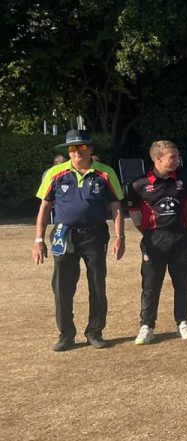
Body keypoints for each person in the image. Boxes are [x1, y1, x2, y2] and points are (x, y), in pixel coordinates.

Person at [33, 129, 126, 351]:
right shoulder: (55, 173)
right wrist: (38, 239)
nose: (77, 153)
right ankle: (66, 334)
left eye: (82, 147)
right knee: (62, 286)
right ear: (68, 151)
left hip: (95, 234)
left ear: (90, 149)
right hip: (64, 234)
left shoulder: (105, 173)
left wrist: (119, 237)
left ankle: (94, 332)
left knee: (96, 283)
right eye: (73, 149)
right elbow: (44, 208)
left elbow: (116, 207)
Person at [126, 140, 187, 345]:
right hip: (154, 240)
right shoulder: (138, 184)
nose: (178, 160)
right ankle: (147, 326)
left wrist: (181, 227)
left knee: (183, 283)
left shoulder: (185, 178)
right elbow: (133, 211)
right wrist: (147, 232)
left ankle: (183, 322)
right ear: (158, 159)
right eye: (173, 157)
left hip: (181, 238)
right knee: (151, 285)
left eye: (178, 156)